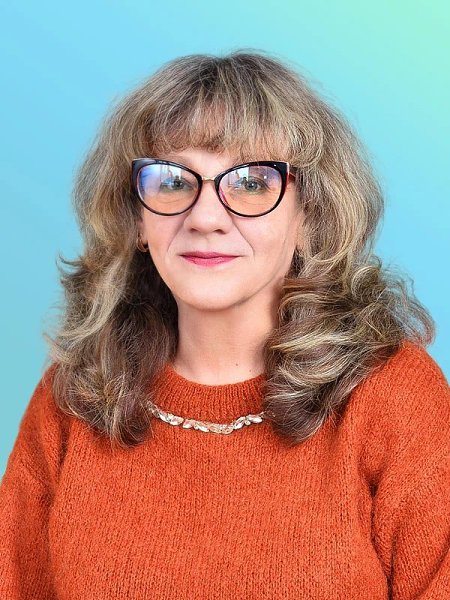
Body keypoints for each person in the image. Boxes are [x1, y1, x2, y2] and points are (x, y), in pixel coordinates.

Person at [0, 49, 449, 600]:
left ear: (309, 217)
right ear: (137, 218)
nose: (206, 217)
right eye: (172, 181)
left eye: (252, 182)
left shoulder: (393, 397)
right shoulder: (74, 397)